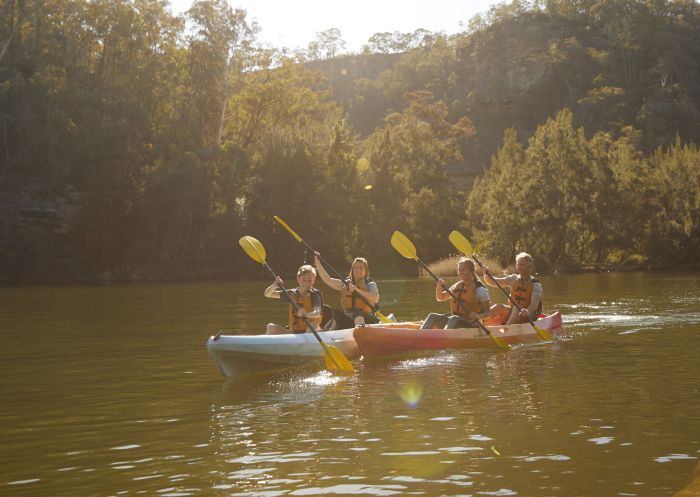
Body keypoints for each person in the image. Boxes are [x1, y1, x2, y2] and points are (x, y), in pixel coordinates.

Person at [420, 257, 491, 329]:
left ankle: (444, 337)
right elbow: (440, 298)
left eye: (464, 269)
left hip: (472, 324)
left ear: (472, 271)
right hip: (455, 322)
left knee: (453, 319)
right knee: (433, 316)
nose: (461, 272)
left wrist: (478, 316)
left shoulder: (480, 289)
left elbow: (488, 313)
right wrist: (439, 287)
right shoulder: (457, 286)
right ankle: (420, 335)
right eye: (459, 270)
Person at [314, 253, 379, 327]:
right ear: (352, 270)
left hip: (366, 319)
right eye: (356, 268)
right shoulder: (345, 284)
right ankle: (330, 335)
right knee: (336, 314)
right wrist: (318, 264)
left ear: (365, 271)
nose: (358, 270)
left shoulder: (370, 284)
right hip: (348, 318)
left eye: (361, 268)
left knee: (358, 315)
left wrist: (357, 290)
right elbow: (328, 280)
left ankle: (360, 333)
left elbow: (375, 299)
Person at [484, 251, 542, 325]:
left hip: (528, 316)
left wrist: (527, 311)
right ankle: (480, 325)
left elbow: (534, 306)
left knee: (517, 308)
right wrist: (486, 274)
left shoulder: (536, 284)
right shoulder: (513, 279)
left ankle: (507, 329)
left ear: (530, 267)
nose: (519, 267)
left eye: (522, 264)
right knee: (498, 307)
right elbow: (492, 282)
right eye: (518, 264)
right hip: (513, 312)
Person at [263, 264, 323, 335]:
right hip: (294, 333)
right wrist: (274, 285)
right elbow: (267, 294)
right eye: (304, 280)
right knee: (270, 327)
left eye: (309, 280)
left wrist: (306, 314)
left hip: (312, 331)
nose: (306, 283)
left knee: (313, 325)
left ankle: (304, 344)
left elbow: (317, 313)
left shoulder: (315, 295)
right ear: (298, 279)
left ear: (314, 280)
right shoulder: (291, 294)